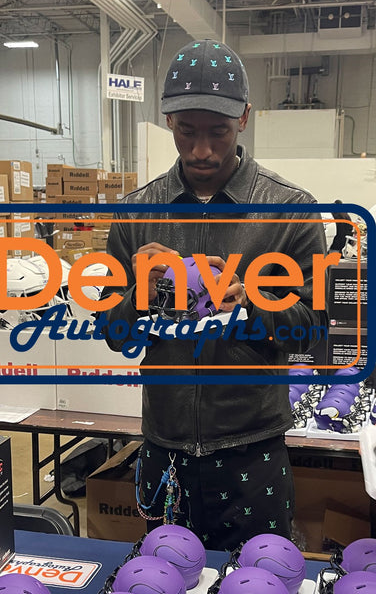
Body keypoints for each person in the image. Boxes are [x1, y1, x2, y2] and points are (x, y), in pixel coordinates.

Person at [99, 39, 327, 551]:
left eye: (218, 131)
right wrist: (140, 294)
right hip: (165, 449)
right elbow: (113, 333)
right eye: (187, 130)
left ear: (244, 117)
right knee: (163, 577)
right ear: (168, 120)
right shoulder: (136, 212)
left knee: (260, 579)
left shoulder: (290, 211)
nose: (201, 150)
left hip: (253, 452)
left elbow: (313, 330)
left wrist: (250, 304)